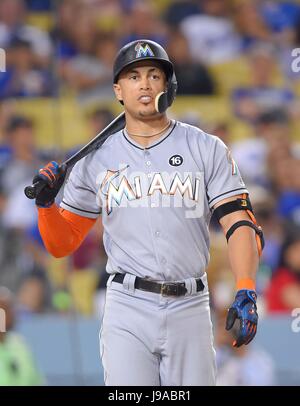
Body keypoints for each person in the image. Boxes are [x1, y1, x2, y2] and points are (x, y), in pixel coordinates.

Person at [33, 39, 264, 386]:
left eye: (154, 75)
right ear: (118, 90)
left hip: (191, 303)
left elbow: (239, 221)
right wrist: (47, 207)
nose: (144, 83)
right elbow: (61, 245)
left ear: (167, 86)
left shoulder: (205, 147)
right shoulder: (95, 159)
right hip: (127, 304)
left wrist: (246, 287)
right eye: (134, 76)